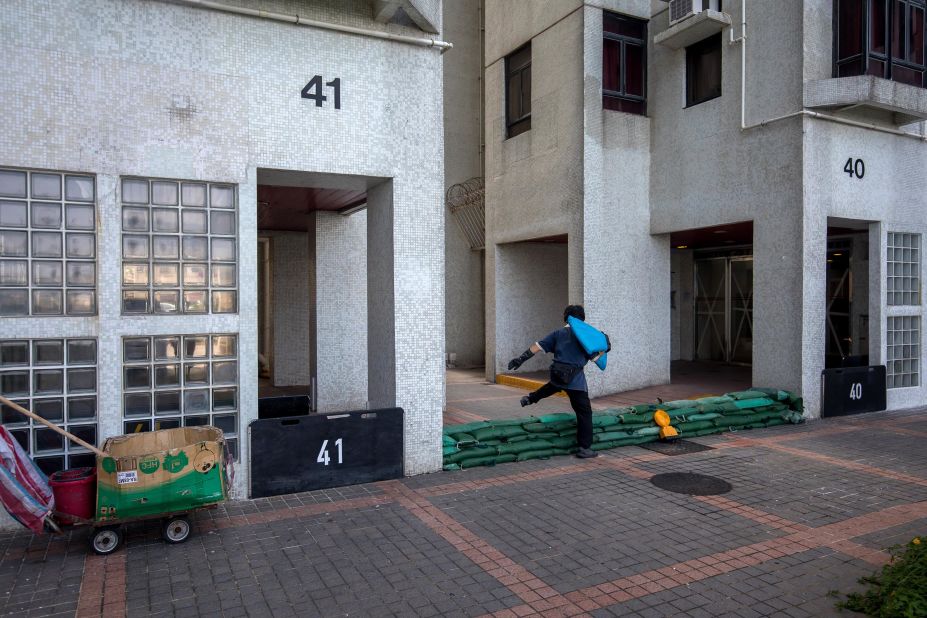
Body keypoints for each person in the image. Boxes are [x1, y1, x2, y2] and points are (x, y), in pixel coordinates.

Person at [507, 305, 605, 459]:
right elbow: (597, 359)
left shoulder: (558, 333)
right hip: (576, 381)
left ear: (565, 318)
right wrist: (606, 347)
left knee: (552, 387)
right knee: (584, 413)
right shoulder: (585, 337)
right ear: (583, 318)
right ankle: (585, 448)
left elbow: (537, 347)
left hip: (558, 375)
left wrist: (520, 359)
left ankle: (530, 398)